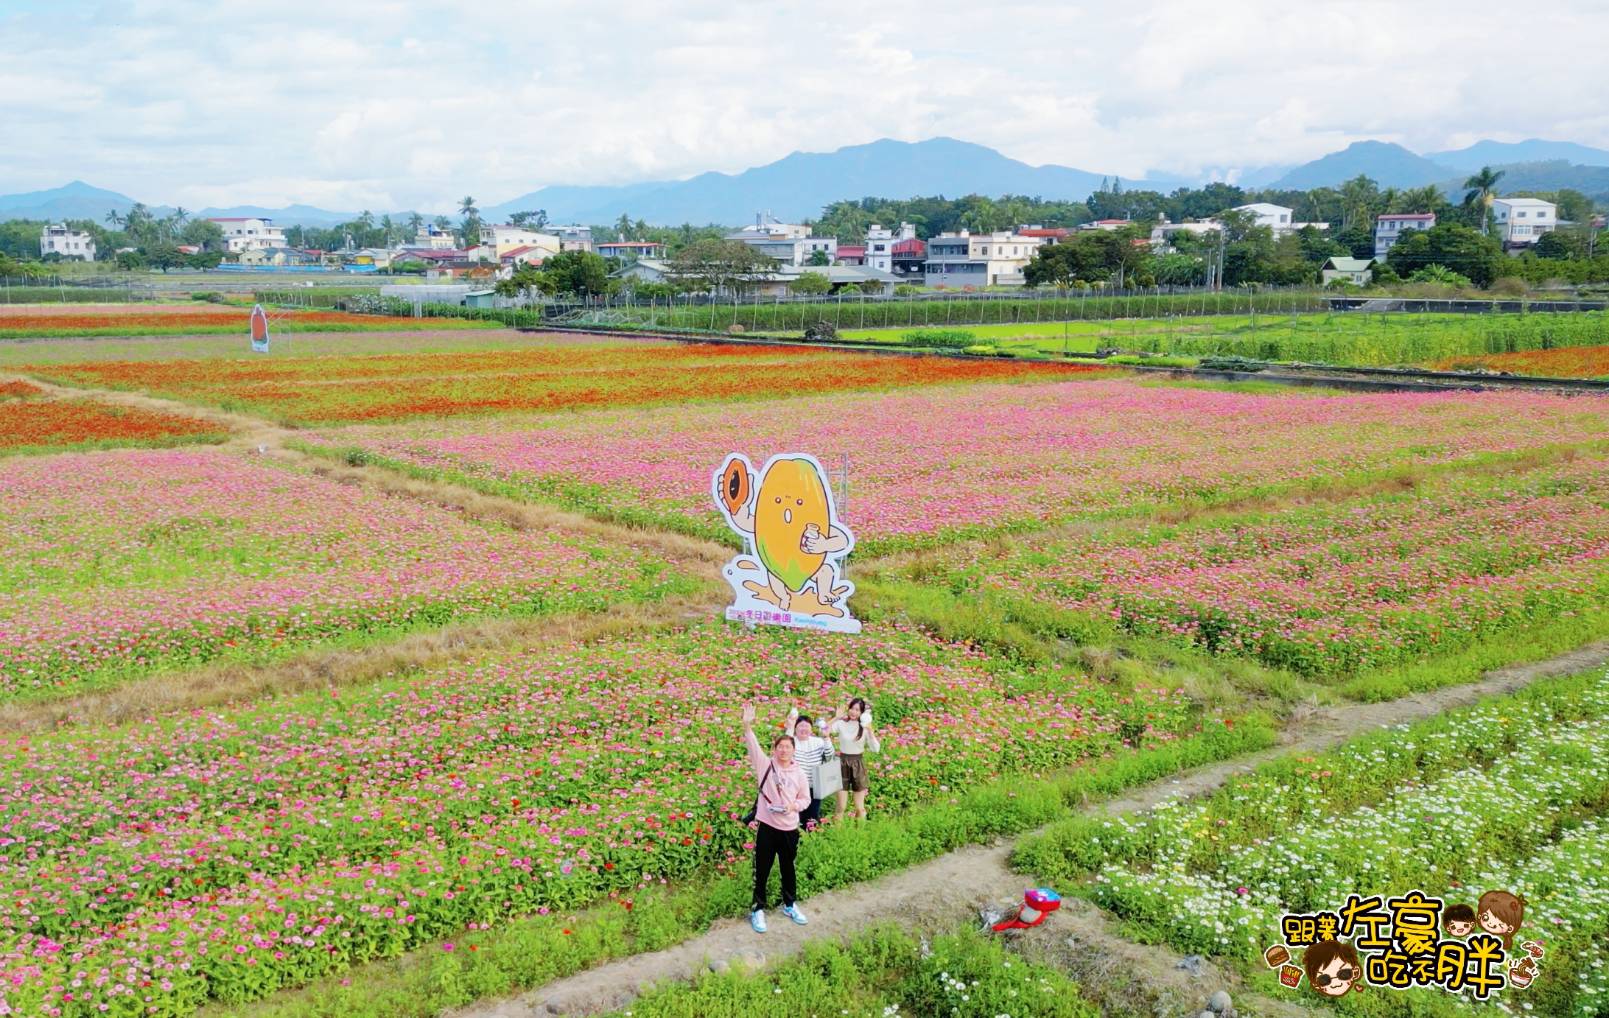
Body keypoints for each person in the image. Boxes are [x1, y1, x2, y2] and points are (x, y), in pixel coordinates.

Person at [741, 703, 811, 934]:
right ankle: (757, 909)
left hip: (790, 827)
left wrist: (793, 806)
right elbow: (752, 744)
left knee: (788, 868)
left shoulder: (799, 772)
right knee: (762, 868)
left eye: (787, 747)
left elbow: (806, 799)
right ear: (775, 749)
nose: (784, 751)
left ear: (793, 750)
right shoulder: (765, 766)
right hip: (768, 827)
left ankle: (790, 905)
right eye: (780, 747)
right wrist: (747, 723)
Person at [829, 697, 878, 822]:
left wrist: (870, 729)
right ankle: (837, 836)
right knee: (840, 807)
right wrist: (836, 717)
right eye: (852, 708)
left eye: (857, 710)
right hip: (842, 763)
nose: (853, 712)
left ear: (862, 713)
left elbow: (875, 749)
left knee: (859, 807)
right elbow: (822, 731)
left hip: (858, 764)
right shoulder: (841, 724)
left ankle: (859, 834)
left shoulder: (864, 728)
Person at [784, 707, 833, 829]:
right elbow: (785, 749)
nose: (804, 728)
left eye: (807, 726)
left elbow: (829, 757)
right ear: (795, 728)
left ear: (811, 729)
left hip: (814, 786)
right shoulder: (792, 742)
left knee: (812, 817)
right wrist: (789, 727)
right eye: (800, 726)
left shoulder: (818, 742)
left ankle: (809, 841)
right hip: (795, 787)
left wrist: (827, 738)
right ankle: (794, 841)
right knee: (795, 816)